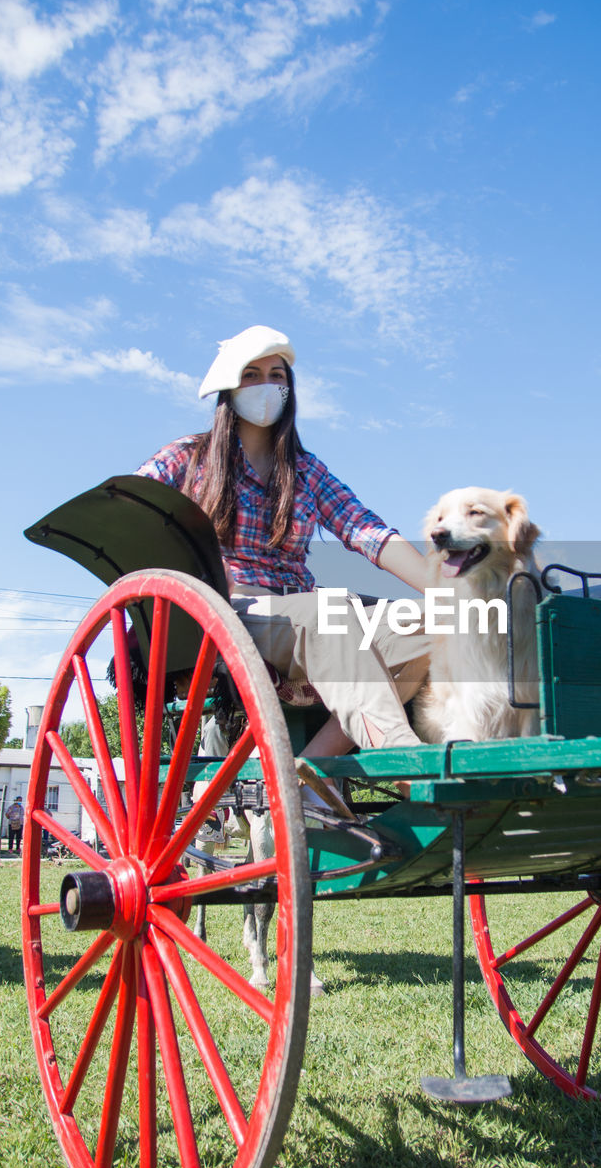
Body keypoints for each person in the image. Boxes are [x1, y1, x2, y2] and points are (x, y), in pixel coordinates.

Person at [136, 324, 431, 815]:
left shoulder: (306, 470)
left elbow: (366, 530)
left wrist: (447, 590)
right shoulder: (189, 457)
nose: (267, 385)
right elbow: (133, 508)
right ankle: (407, 765)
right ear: (230, 388)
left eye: (277, 375)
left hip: (303, 611)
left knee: (433, 626)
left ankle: (307, 770)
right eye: (252, 375)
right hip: (231, 611)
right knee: (330, 610)